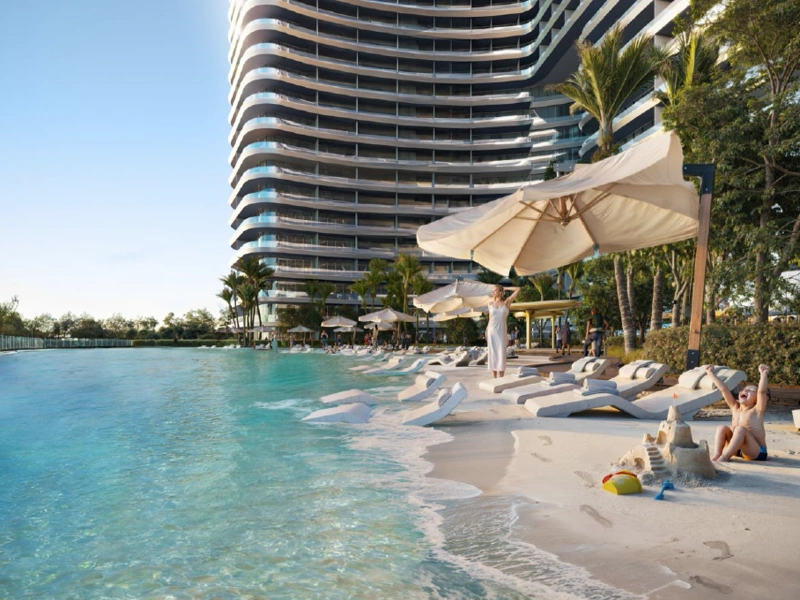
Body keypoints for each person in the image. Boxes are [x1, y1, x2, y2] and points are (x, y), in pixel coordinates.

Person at [709, 364, 770, 462]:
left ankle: (725, 457)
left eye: (751, 391)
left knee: (740, 429)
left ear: (756, 399)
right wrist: (711, 374)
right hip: (738, 449)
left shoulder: (757, 410)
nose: (746, 391)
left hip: (757, 452)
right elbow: (723, 390)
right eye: (744, 389)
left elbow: (762, 391)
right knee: (722, 428)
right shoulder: (735, 407)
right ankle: (717, 454)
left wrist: (763, 374)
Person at [486, 284, 520, 378]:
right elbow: (490, 319)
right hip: (491, 331)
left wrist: (506, 288)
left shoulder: (506, 303)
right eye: (493, 291)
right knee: (492, 354)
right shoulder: (490, 304)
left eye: (495, 290)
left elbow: (518, 289)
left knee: (501, 354)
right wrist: (486, 331)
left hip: (501, 332)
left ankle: (501, 379)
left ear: (501, 292)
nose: (493, 292)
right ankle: (494, 379)